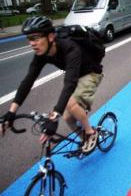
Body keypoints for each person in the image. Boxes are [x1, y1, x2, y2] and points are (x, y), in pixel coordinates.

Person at [0, 16, 104, 153]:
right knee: (68, 118)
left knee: (70, 104)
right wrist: (11, 112)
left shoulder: (70, 48)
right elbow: (28, 81)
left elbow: (69, 84)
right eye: (29, 39)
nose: (32, 43)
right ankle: (84, 138)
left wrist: (54, 117)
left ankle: (91, 133)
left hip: (90, 73)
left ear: (50, 37)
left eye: (36, 37)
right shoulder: (41, 55)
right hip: (75, 75)